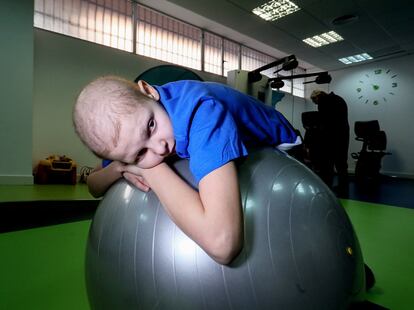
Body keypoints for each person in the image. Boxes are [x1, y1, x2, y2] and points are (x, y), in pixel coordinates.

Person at [73, 76, 301, 265]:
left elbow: (223, 242)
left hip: (280, 143)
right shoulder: (129, 132)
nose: (160, 147)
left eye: (151, 126)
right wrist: (121, 167)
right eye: (139, 154)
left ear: (148, 91)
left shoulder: (202, 113)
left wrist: (151, 170)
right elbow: (93, 184)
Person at [310, 90, 350, 194]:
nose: (316, 104)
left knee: (327, 164)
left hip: (330, 137)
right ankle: (343, 187)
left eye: (315, 102)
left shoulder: (324, 102)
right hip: (343, 135)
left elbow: (324, 122)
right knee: (341, 163)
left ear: (317, 97)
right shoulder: (339, 99)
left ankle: (327, 187)